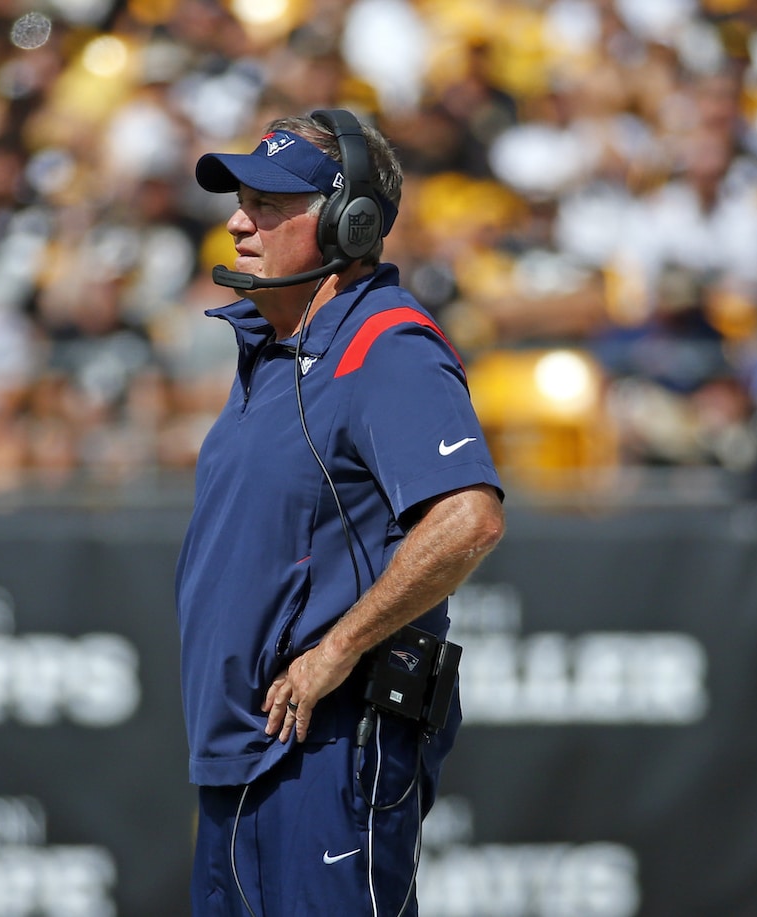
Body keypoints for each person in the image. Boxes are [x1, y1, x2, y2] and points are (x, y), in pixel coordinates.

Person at [174, 109, 506, 917]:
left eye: (268, 202)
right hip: (246, 757)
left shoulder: (386, 345)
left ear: (347, 221)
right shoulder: (275, 348)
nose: (236, 220)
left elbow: (469, 518)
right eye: (241, 198)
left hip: (329, 753)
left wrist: (337, 649)